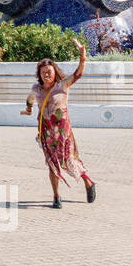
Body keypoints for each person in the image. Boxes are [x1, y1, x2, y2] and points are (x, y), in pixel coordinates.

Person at [20, 39, 98, 209]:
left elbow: (78, 74)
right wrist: (28, 110)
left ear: (55, 72)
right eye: (43, 73)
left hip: (63, 133)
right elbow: (30, 99)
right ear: (39, 74)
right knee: (52, 164)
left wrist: (82, 56)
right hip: (46, 133)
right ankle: (56, 197)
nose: (46, 75)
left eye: (49, 72)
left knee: (70, 161)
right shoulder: (37, 89)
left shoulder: (62, 86)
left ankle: (88, 183)